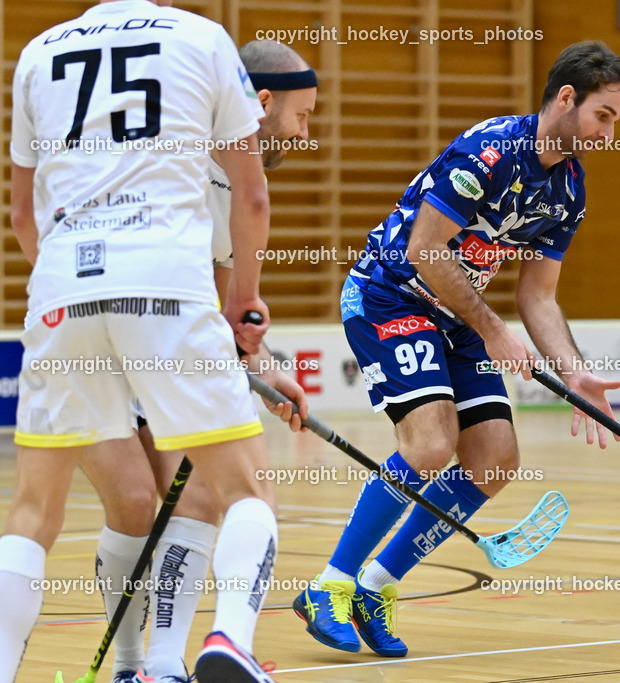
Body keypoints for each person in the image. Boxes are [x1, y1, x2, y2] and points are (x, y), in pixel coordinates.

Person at [291, 40, 620, 657]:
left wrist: (576, 374)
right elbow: (426, 250)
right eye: (603, 116)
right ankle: (330, 586)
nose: (610, 134)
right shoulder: (491, 152)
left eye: (617, 121)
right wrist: (492, 329)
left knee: (494, 460)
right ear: (566, 98)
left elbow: (538, 296)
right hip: (392, 294)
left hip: (454, 315)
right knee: (429, 446)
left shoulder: (569, 191)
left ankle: (376, 586)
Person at [0, 2, 281, 682]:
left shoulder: (38, 51)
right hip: (166, 283)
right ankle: (229, 642)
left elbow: (20, 214)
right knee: (246, 486)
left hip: (62, 290)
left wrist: (71, 293)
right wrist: (244, 299)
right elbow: (250, 198)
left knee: (33, 510)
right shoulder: (202, 37)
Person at [77, 39, 317, 683]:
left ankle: (156, 666)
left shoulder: (207, 155)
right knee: (190, 496)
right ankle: (155, 660)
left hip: (104, 328)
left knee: (175, 498)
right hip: (112, 329)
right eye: (301, 115)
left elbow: (217, 305)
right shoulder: (229, 172)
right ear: (261, 103)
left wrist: (262, 370)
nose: (304, 132)